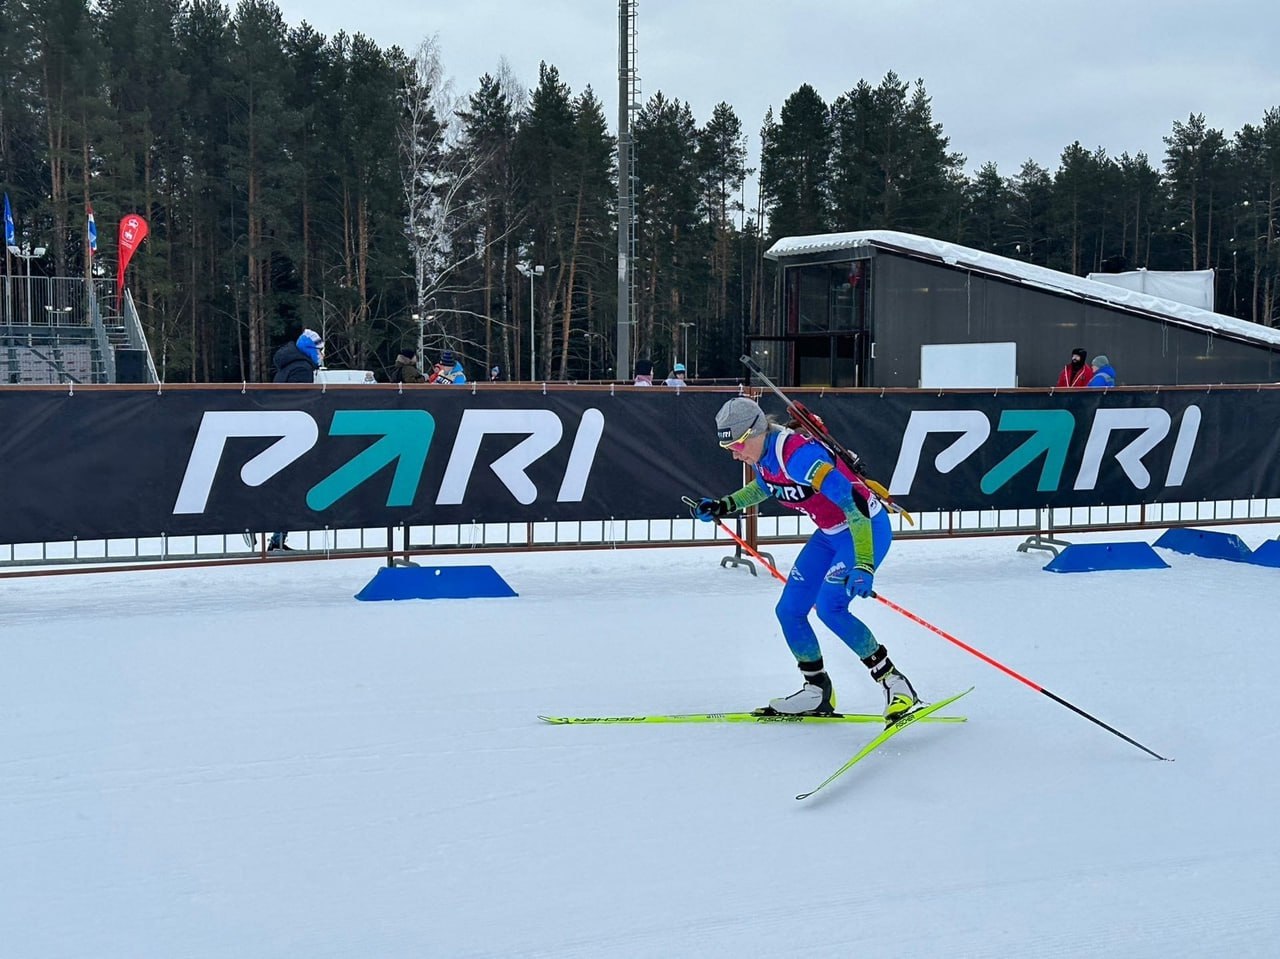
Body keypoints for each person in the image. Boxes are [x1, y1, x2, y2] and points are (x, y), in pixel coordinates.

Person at [692, 396, 919, 721]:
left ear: (757, 431)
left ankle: (896, 684)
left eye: (739, 443)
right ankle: (817, 691)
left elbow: (852, 506)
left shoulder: (799, 456)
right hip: (829, 535)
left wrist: (864, 565)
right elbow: (767, 486)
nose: (735, 453)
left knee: (830, 607)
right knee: (790, 610)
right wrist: (724, 505)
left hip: (863, 528)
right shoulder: (764, 455)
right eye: (728, 447)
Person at [267, 328, 323, 550]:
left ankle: (277, 537)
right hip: (294, 435)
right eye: (319, 350)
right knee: (292, 488)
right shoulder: (302, 368)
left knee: (288, 487)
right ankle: (277, 538)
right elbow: (302, 401)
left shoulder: (290, 365)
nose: (322, 354)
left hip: (284, 432)